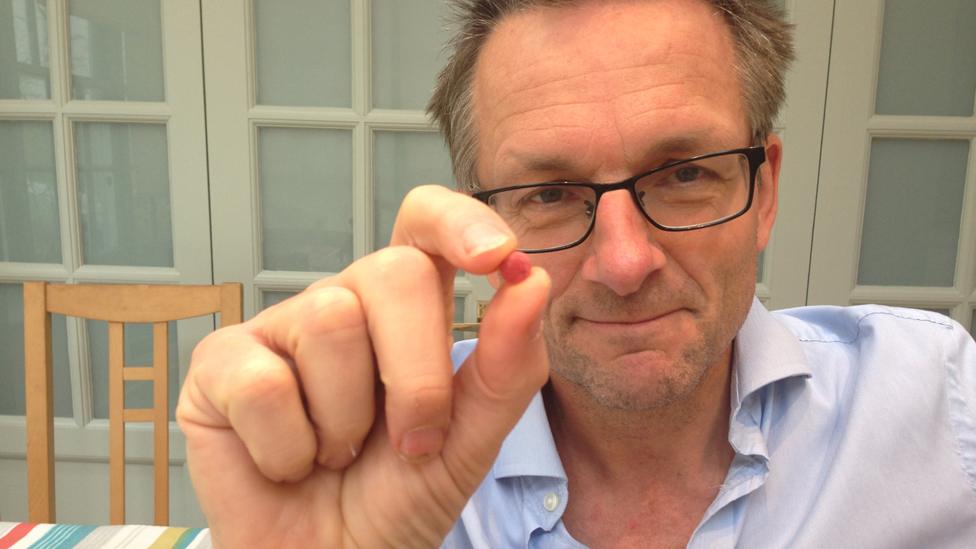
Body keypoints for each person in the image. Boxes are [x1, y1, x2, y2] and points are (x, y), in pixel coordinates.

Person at [176, 0, 976, 547]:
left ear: (763, 192)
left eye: (686, 173)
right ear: (476, 226)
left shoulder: (938, 406)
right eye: (551, 194)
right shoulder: (377, 456)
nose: (626, 264)